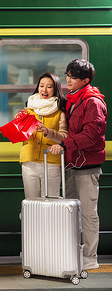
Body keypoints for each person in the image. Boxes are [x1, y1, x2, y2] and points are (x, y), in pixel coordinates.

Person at [49, 59, 106, 270]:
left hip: (87, 166)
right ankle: (74, 253)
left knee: (88, 214)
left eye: (73, 76)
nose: (68, 79)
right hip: (72, 164)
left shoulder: (93, 102)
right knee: (72, 212)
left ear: (85, 80)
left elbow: (92, 135)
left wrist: (65, 144)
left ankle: (90, 257)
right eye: (67, 75)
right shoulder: (73, 100)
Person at [19, 73, 68, 198]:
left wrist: (47, 131)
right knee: (31, 203)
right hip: (29, 161)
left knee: (50, 203)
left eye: (49, 87)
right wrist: (18, 124)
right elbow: (20, 136)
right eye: (41, 86)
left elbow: (64, 137)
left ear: (55, 89)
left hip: (51, 162)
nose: (44, 90)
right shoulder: (28, 109)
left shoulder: (60, 112)